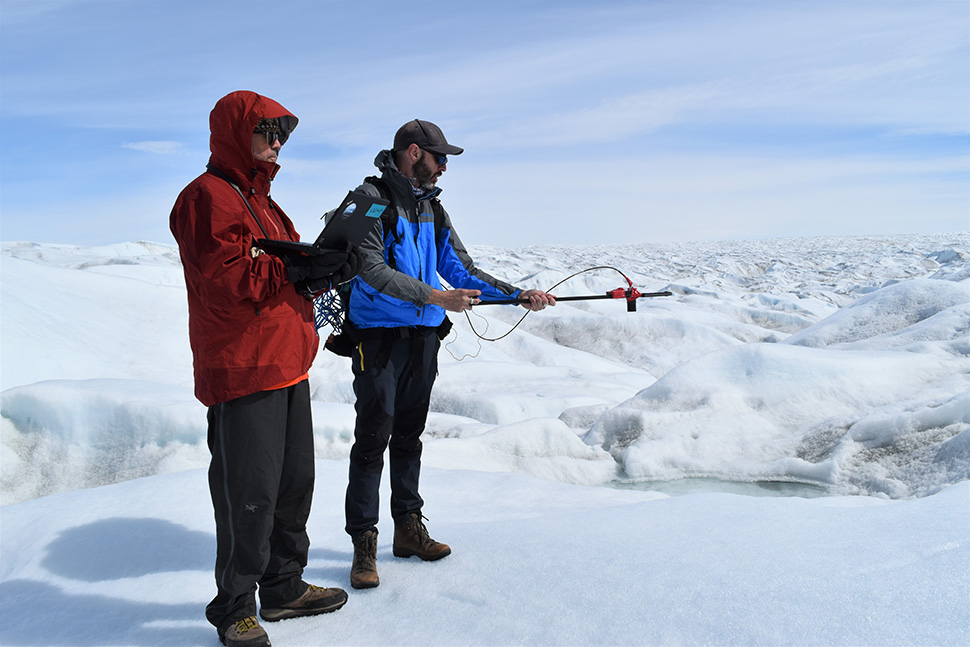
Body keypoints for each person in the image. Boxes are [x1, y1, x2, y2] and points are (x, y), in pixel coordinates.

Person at [170, 90, 360, 647]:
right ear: (237, 132)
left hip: (286, 363)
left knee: (292, 488)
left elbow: (279, 269)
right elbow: (225, 280)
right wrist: (295, 270)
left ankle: (283, 588)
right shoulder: (206, 197)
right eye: (267, 132)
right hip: (243, 369)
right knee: (248, 496)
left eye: (283, 135)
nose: (277, 144)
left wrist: (322, 269)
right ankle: (234, 608)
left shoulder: (264, 202)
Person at [338, 119, 555, 589]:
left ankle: (408, 530)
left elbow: (460, 269)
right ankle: (364, 544)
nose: (444, 168)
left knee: (409, 437)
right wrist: (435, 297)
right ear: (414, 152)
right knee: (372, 439)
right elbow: (370, 269)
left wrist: (516, 295)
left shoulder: (432, 208)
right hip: (376, 340)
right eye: (440, 159)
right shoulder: (370, 200)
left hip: (422, 339)